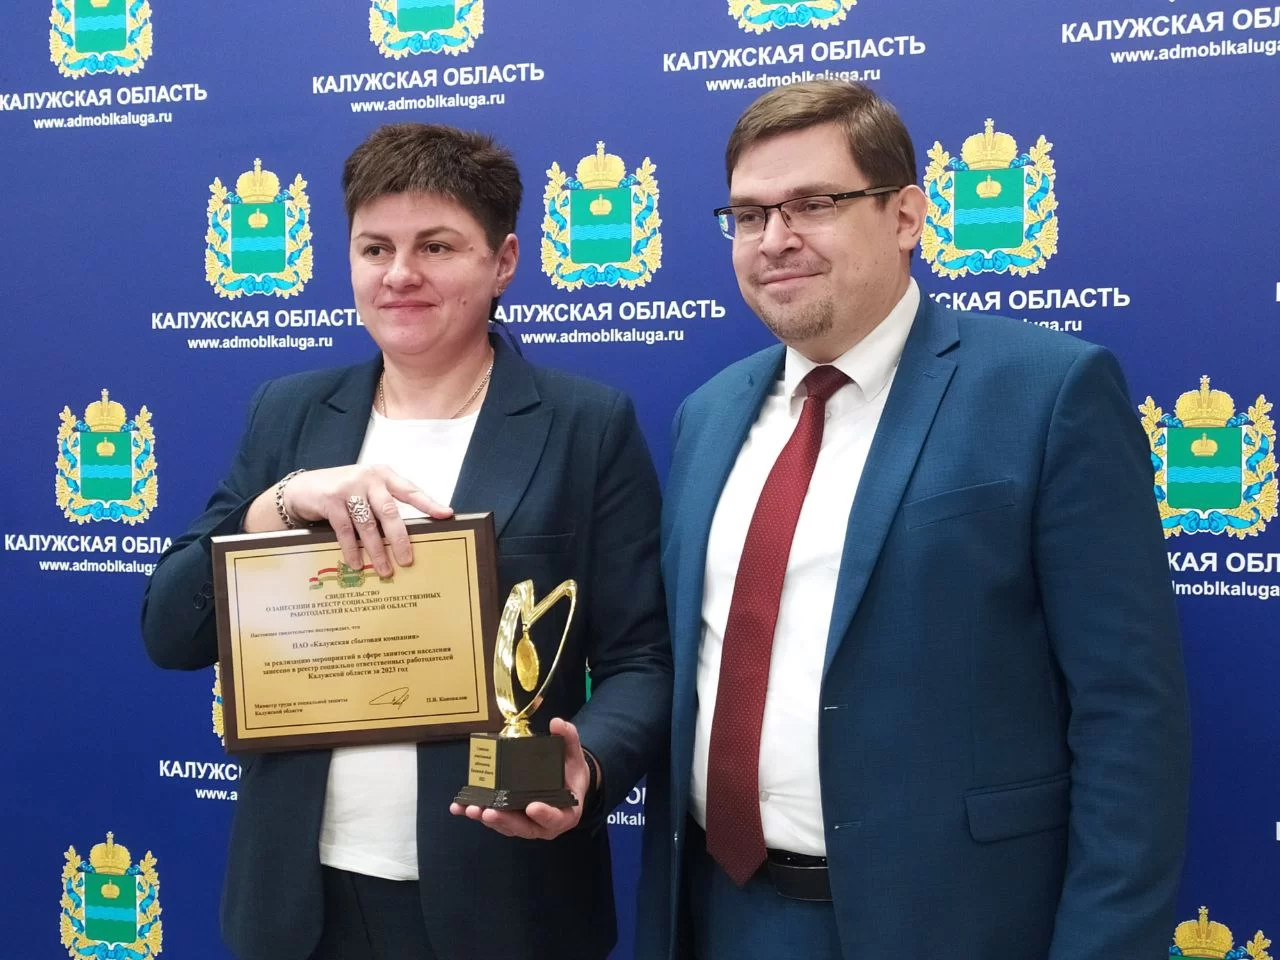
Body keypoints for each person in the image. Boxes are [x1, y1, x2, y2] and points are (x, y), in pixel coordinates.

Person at [635, 80, 1189, 960]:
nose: (775, 239)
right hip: (721, 911)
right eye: (748, 215)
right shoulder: (707, 416)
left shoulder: (1048, 392)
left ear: (905, 216)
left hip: (953, 923)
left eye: (813, 204)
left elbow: (1129, 717)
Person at [142, 122, 670, 960]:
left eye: (436, 246)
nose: (399, 275)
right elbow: (171, 632)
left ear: (503, 261)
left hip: (505, 895)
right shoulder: (288, 414)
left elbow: (641, 658)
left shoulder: (586, 424)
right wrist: (277, 504)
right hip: (301, 901)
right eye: (374, 248)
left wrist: (589, 763)